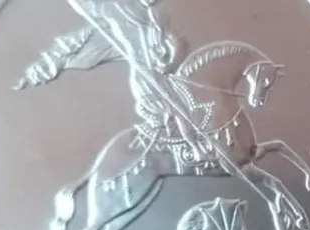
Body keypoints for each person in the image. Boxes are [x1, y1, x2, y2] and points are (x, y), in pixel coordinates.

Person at [71, 0, 210, 164]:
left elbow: (179, 41)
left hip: (161, 74)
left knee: (182, 111)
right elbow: (91, 7)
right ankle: (188, 146)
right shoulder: (114, 10)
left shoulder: (157, 19)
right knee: (176, 111)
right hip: (144, 76)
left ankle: (193, 147)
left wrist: (173, 63)